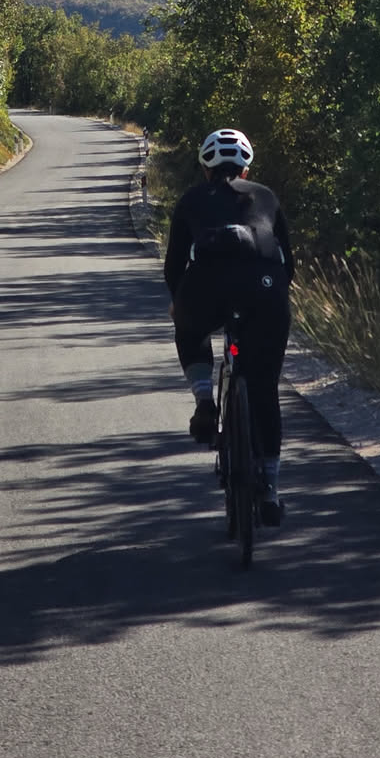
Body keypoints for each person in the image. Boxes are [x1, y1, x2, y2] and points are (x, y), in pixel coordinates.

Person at [163, 127, 293, 524]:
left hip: (207, 286)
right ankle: (270, 490)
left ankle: (205, 400)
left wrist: (180, 305)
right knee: (264, 387)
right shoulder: (267, 196)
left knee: (189, 328)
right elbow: (290, 265)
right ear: (247, 166)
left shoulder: (191, 198)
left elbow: (173, 267)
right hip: (264, 290)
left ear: (206, 168)